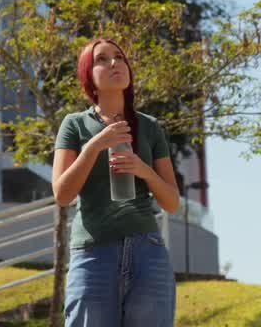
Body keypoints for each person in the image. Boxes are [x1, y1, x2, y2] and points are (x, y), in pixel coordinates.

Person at [51, 38, 181, 327]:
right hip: (93, 253)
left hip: (148, 253)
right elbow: (62, 194)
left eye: (119, 57)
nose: (114, 63)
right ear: (88, 76)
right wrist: (94, 146)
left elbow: (172, 202)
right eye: (102, 59)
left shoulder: (149, 126)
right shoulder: (74, 124)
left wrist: (143, 170)